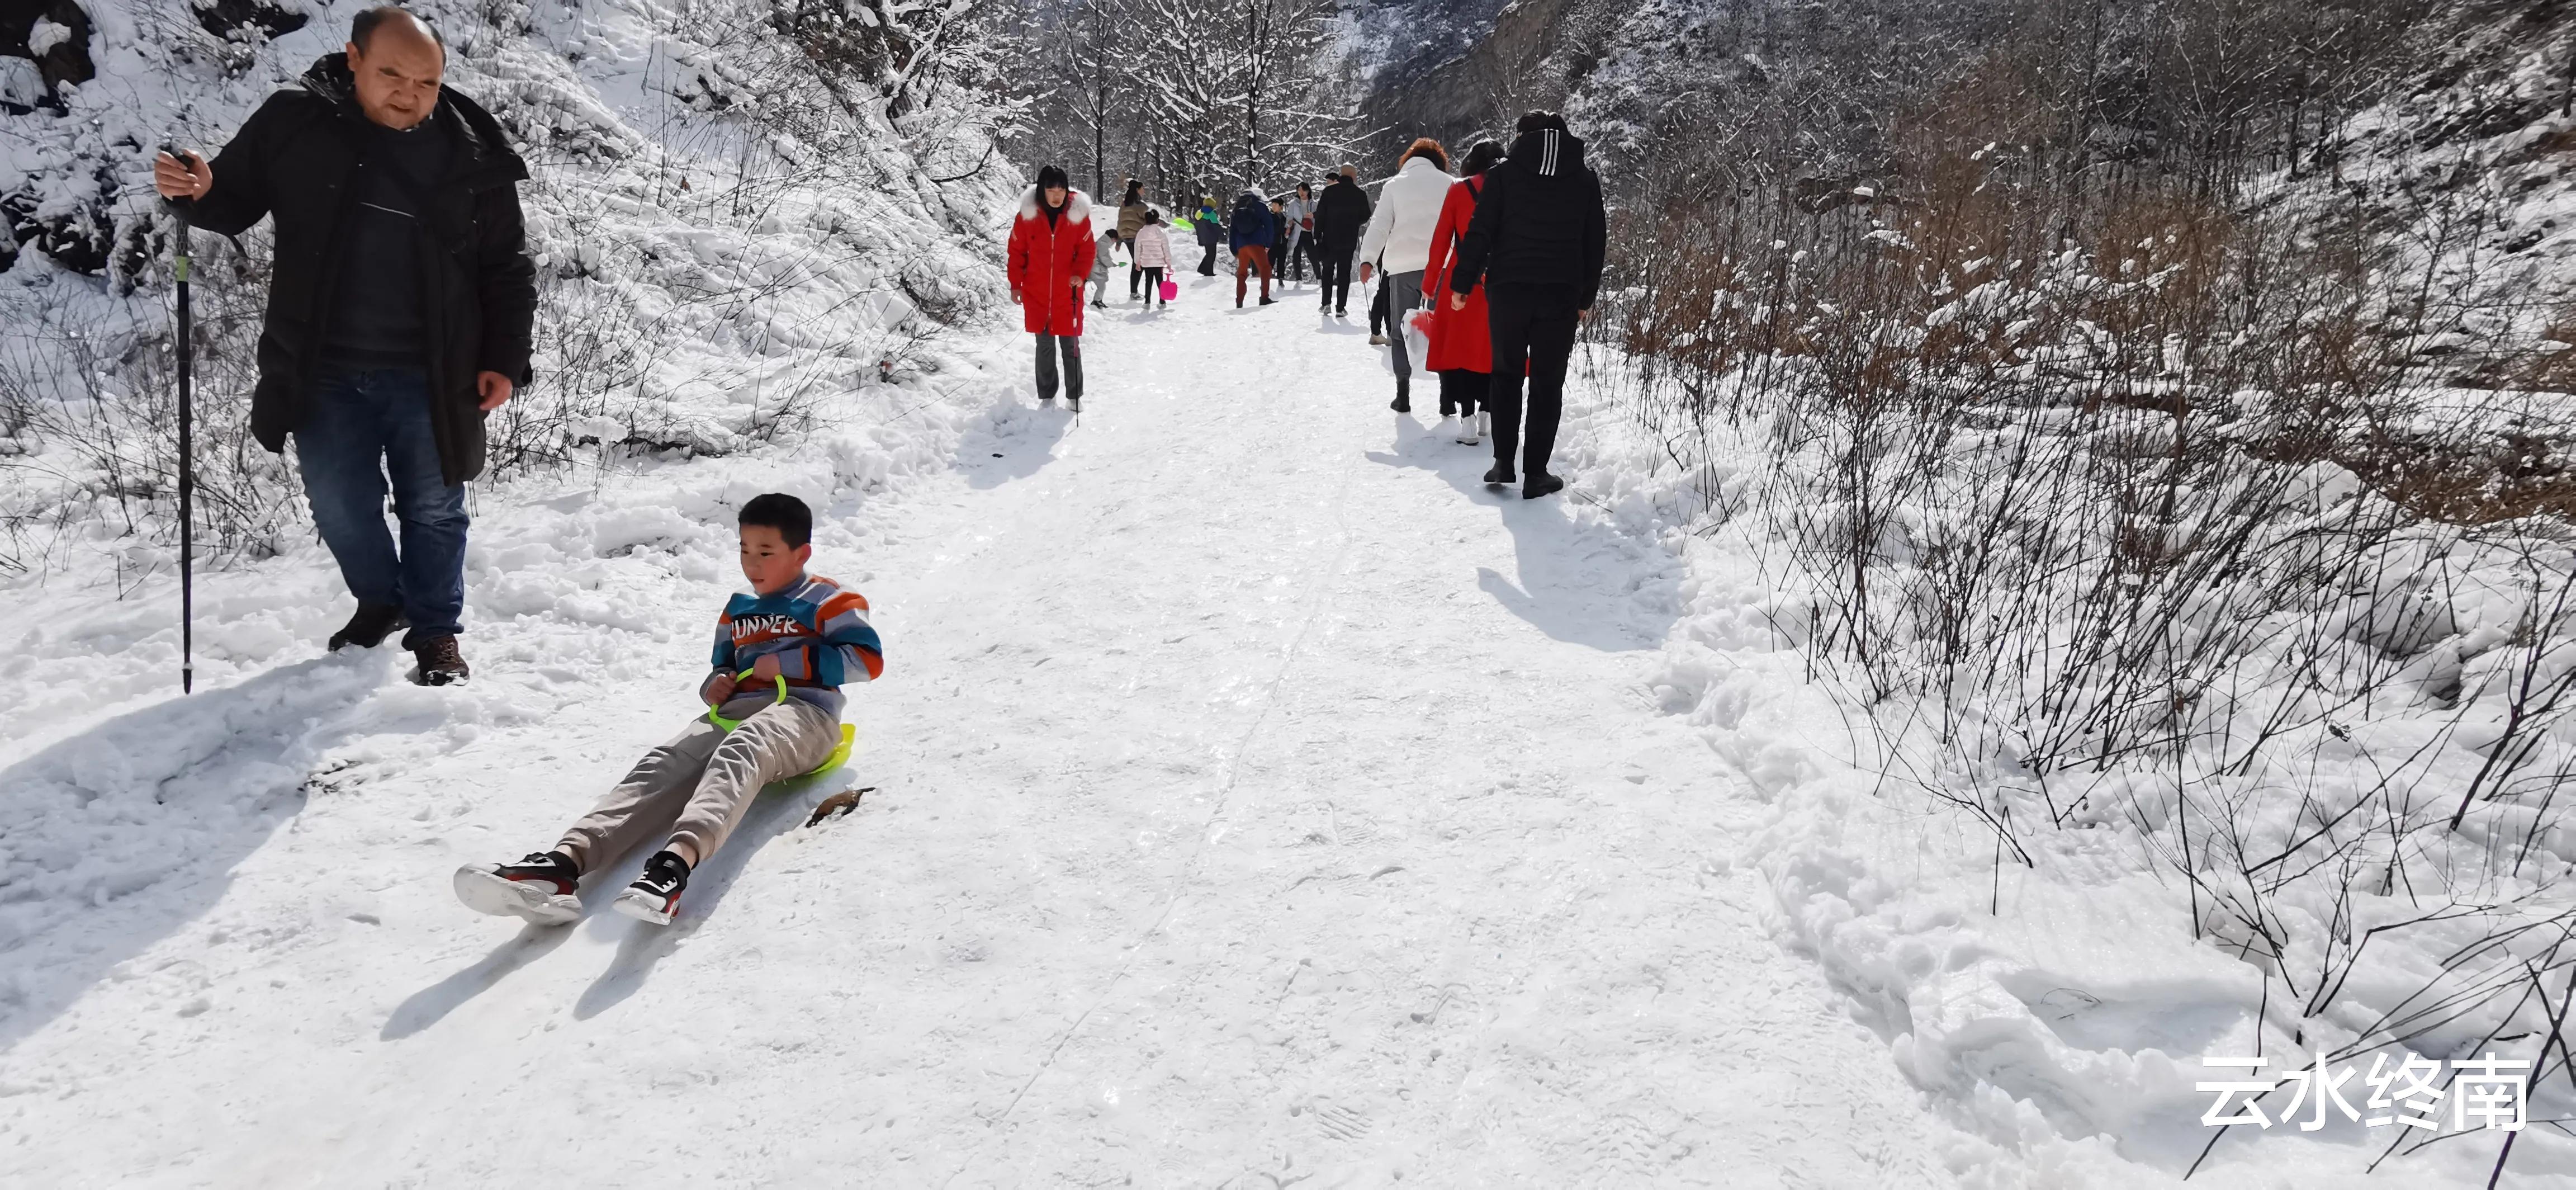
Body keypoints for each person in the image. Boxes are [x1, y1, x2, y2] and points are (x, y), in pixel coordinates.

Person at [152, 6, 534, 686]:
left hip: (434, 368)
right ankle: (380, 599)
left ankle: (437, 631)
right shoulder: (294, 123)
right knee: (338, 503)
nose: (408, 94)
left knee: (435, 506)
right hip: (321, 367)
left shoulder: (472, 146)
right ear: (353, 59)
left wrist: (504, 359)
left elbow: (506, 263)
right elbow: (228, 197)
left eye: (427, 81)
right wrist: (197, 188)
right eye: (391, 73)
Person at [453, 493, 884, 926]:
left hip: (805, 715)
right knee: (664, 763)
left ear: (801, 553)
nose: (752, 564)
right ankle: (564, 864)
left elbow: (869, 660)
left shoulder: (829, 600)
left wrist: (791, 664)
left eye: (766, 553)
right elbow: (723, 665)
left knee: (744, 747)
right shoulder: (739, 610)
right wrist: (715, 685)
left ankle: (672, 869)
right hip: (734, 712)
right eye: (744, 550)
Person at [1450, 111, 1607, 500]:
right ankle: (1536, 474)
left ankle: (1504, 462)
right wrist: (1586, 297)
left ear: (1522, 137)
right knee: (1546, 382)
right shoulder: (1585, 180)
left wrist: (1462, 283)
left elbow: (1480, 231)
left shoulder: (1503, 176)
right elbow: (1594, 244)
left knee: (1505, 375)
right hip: (1561, 293)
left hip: (1508, 290)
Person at [1358, 139, 1452, 413]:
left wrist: (1368, 259)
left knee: (1399, 332)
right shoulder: (1450, 183)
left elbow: (1379, 225)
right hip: (1441, 267)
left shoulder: (1394, 185)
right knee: (1442, 330)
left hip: (1402, 269)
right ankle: (1447, 398)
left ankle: (1403, 395)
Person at [1423, 139, 1507, 444]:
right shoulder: (1510, 189)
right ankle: (1487, 414)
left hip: (1462, 280)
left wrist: (1430, 284)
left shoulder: (1459, 191)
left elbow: (1442, 239)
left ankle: (1468, 422)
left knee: (1460, 352)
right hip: (1500, 279)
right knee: (1490, 349)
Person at [1006, 164, 1096, 412]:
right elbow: (1016, 252)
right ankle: (1047, 396)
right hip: (1037, 292)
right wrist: (1016, 285)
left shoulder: (1077, 215)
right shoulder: (1028, 216)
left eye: (1062, 190)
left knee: (1071, 345)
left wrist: (1080, 274)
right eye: (1051, 190)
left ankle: (1074, 395)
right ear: (1041, 191)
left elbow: (1087, 250)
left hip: (1068, 292)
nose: (1057, 195)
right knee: (1044, 346)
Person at [1311, 163, 1371, 316]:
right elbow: (1366, 215)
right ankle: (1340, 308)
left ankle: (1326, 304)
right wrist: (1354, 222)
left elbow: (1320, 215)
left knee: (1328, 271)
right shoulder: (1360, 194)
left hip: (1330, 238)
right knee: (1344, 273)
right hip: (1349, 239)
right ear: (1353, 176)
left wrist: (1317, 236)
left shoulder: (1329, 192)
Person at [1228, 185, 1276, 308]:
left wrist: (1234, 249)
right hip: (1256, 242)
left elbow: (1232, 230)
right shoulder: (1260, 206)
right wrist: (1269, 243)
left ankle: (1239, 302)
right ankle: (1264, 297)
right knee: (1265, 269)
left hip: (1241, 245)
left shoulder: (1237, 209)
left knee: (1242, 273)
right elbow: (1269, 225)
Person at [1117, 178, 1151, 300]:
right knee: (1139, 263)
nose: (1144, 191)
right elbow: (1151, 219)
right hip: (1137, 236)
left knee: (1137, 262)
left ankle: (1134, 292)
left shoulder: (1124, 204)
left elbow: (1121, 221)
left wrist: (1120, 240)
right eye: (1143, 189)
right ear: (1138, 190)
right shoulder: (1140, 206)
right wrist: (1164, 224)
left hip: (1126, 237)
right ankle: (1134, 293)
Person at [1133, 207, 1173, 309]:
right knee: (1160, 282)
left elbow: (1137, 248)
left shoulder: (1141, 233)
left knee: (1148, 282)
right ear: (1157, 221)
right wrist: (1168, 262)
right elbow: (1166, 249)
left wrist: (1138, 262)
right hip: (1159, 263)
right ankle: (1162, 302)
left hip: (1147, 263)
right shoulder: (1161, 234)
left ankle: (1147, 303)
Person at [1278, 183, 1314, 284]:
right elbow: (1289, 217)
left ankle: (1319, 278)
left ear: (1308, 191)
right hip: (1297, 232)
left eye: (1304, 190)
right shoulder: (1293, 204)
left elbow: (1316, 219)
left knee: (1313, 256)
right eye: (1299, 190)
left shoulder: (1313, 203)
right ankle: (1299, 279)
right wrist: (1288, 227)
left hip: (1309, 232)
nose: (1301, 193)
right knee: (1296, 255)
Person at [1192, 195, 1222, 276]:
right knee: (1212, 255)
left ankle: (1208, 271)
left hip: (1203, 238)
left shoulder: (1199, 213)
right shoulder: (1211, 214)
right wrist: (1222, 232)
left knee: (1209, 254)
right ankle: (1204, 270)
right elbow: (1216, 226)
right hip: (1211, 238)